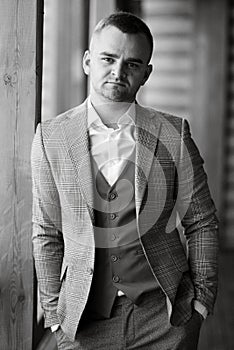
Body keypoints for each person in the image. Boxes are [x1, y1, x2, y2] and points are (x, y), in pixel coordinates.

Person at [31, 11, 219, 350]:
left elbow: (202, 221)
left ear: (146, 74)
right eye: (108, 58)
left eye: (132, 64)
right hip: (83, 322)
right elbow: (46, 231)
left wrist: (200, 304)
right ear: (88, 61)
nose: (118, 72)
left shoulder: (173, 134)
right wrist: (55, 316)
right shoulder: (51, 137)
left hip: (165, 319)